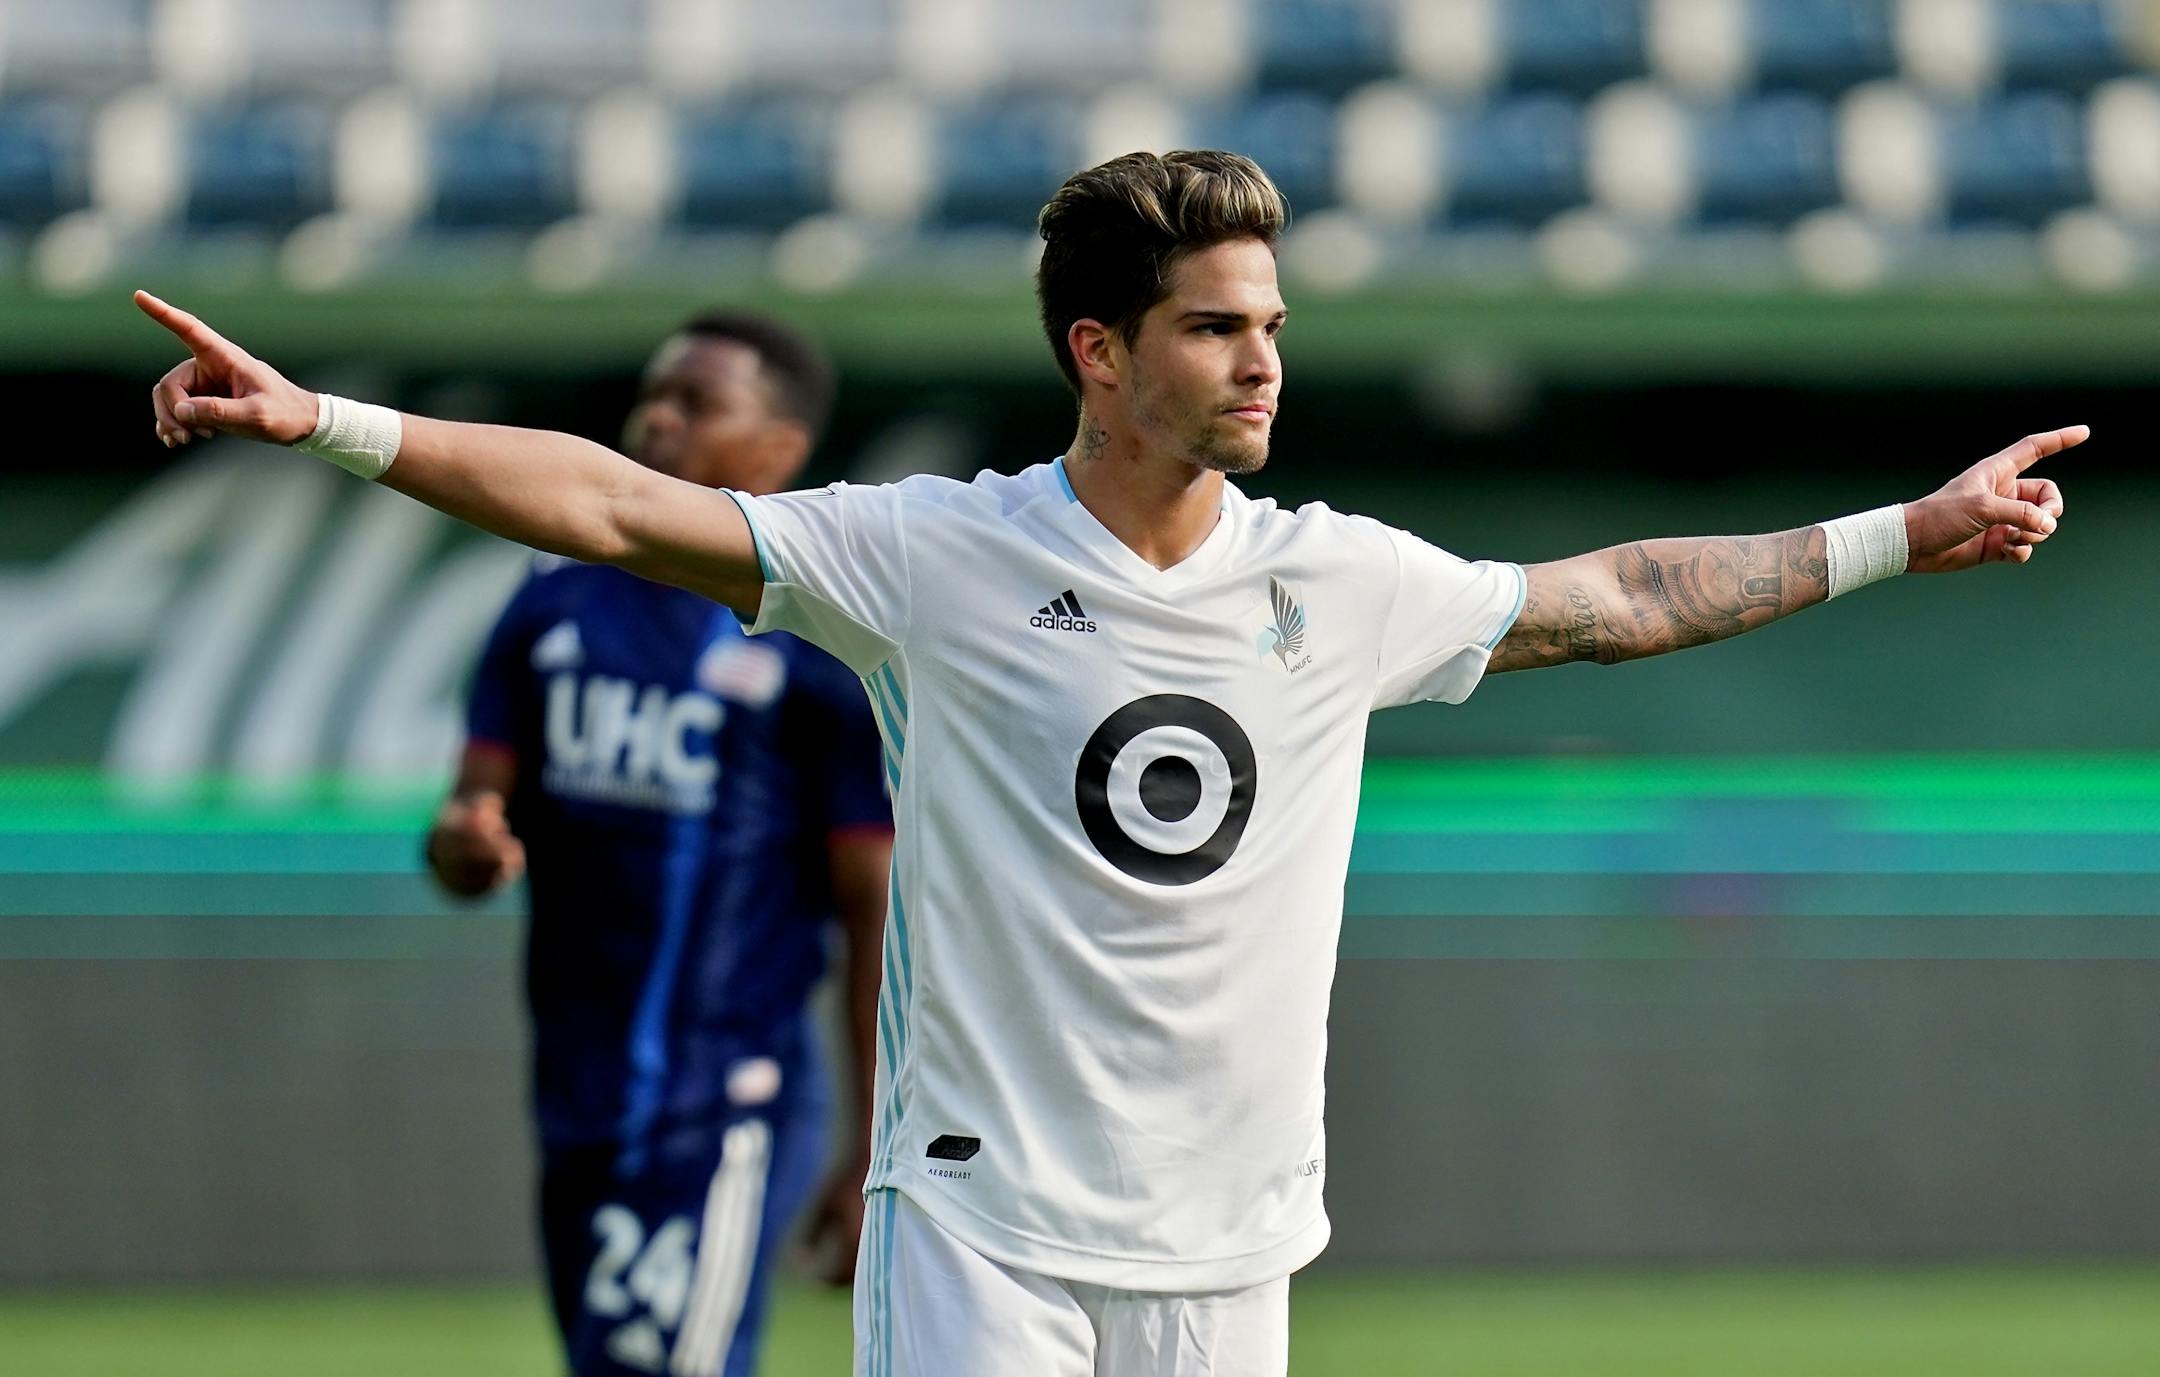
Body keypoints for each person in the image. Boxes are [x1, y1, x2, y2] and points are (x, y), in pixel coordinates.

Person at [138, 149, 2075, 1377]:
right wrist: (325, 419)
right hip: (985, 1226)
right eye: (1216, 328)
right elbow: (614, 504)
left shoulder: (1344, 582)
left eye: (1274, 327)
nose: (1263, 363)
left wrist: (1908, 528)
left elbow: (1629, 593)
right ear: (1099, 349)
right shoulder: (933, 556)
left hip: (1233, 1246)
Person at [418, 311, 894, 1377]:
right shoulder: (550, 605)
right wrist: (467, 843)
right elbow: (466, 825)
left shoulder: (822, 644)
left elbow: (877, 908)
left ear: (779, 451)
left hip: (730, 1097)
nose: (658, 418)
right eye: (655, 394)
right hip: (579, 1088)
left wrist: (875, 1141)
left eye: (699, 403)